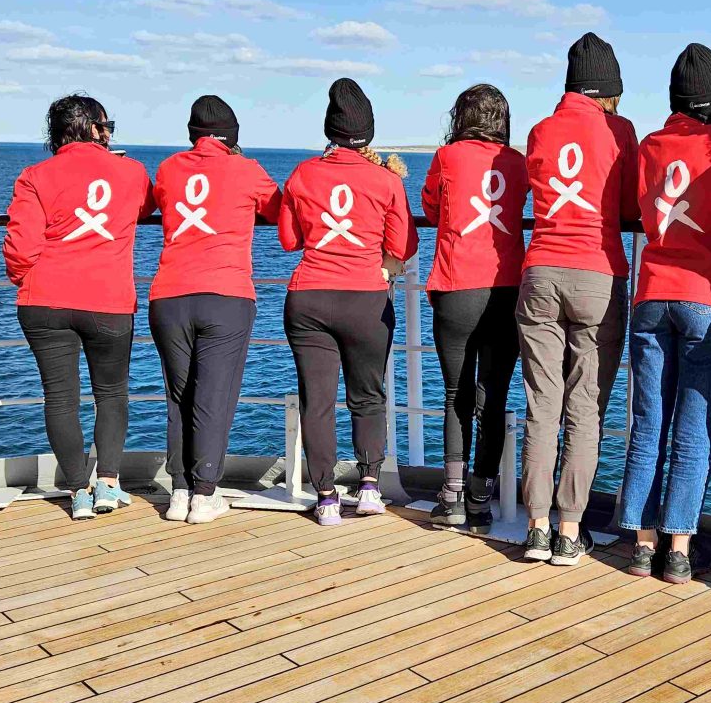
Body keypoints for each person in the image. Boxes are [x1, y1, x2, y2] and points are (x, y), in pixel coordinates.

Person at [618, 44, 711, 584]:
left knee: (649, 421)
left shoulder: (651, 145)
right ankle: (678, 549)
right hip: (708, 297)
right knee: (694, 428)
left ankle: (642, 545)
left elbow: (637, 209)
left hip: (650, 294)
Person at [518, 31, 639, 565]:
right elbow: (633, 200)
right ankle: (570, 531)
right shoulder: (619, 131)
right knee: (584, 408)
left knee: (541, 406)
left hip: (540, 270)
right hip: (598, 275)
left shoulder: (541, 129)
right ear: (610, 90)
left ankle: (537, 529)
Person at [3, 94, 153, 520]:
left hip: (45, 301)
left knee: (60, 399)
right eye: (106, 126)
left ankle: (76, 491)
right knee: (111, 395)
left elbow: (20, 246)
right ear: (93, 128)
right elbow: (146, 205)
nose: (109, 132)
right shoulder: (132, 172)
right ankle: (108, 483)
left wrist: (29, 278)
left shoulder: (35, 176)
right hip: (107, 302)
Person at [279, 78, 418, 526]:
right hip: (365, 301)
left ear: (330, 130)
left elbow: (287, 239)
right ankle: (371, 486)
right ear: (368, 133)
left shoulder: (302, 174)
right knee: (368, 395)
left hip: (310, 299)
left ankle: (324, 497)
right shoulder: (385, 181)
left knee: (316, 401)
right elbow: (403, 245)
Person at [148, 96, 281, 524]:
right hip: (226, 295)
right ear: (233, 137)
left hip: (169, 297)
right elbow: (280, 210)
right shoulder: (247, 170)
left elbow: (160, 201)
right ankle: (205, 494)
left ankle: (180, 492)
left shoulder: (169, 169)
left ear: (192, 133)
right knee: (213, 398)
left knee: (178, 396)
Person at [421, 84, 528, 533]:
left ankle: (453, 497)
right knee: (495, 396)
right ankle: (482, 495)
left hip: (456, 284)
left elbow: (430, 208)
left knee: (456, 396)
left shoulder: (448, 158)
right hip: (507, 288)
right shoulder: (517, 162)